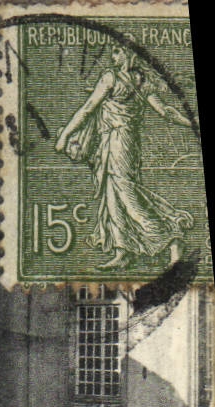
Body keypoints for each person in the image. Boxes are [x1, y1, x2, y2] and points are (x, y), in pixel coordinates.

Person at [54, 44, 196, 268]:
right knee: (113, 193)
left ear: (130, 53)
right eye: (112, 52)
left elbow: (88, 108)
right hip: (120, 143)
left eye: (118, 51)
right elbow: (165, 111)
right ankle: (123, 251)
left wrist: (64, 135)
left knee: (127, 194)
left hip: (119, 142)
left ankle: (172, 240)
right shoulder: (142, 81)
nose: (113, 56)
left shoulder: (113, 79)